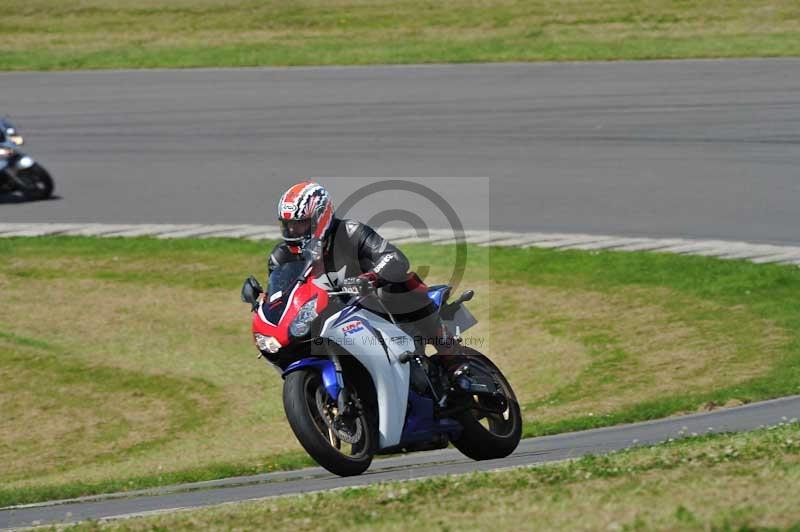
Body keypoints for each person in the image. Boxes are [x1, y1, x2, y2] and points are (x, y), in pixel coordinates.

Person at [267, 180, 466, 377]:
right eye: (288, 225)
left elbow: (394, 257)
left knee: (399, 285)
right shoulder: (281, 257)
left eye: (300, 224)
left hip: (372, 305)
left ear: (321, 218)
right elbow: (282, 297)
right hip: (326, 318)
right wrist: (263, 301)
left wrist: (370, 277)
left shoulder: (350, 232)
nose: (292, 231)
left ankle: (450, 352)